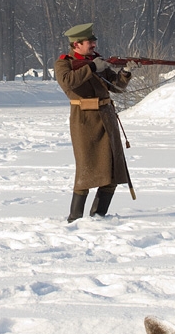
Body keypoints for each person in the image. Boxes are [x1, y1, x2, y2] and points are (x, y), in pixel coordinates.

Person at [54, 23, 133, 221]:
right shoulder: (64, 63)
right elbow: (68, 82)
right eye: (90, 42)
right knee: (86, 171)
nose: (94, 44)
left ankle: (98, 216)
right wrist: (92, 67)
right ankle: (75, 218)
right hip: (84, 121)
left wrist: (125, 72)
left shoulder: (97, 61)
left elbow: (116, 87)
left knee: (113, 170)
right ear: (76, 45)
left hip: (106, 117)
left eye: (93, 41)